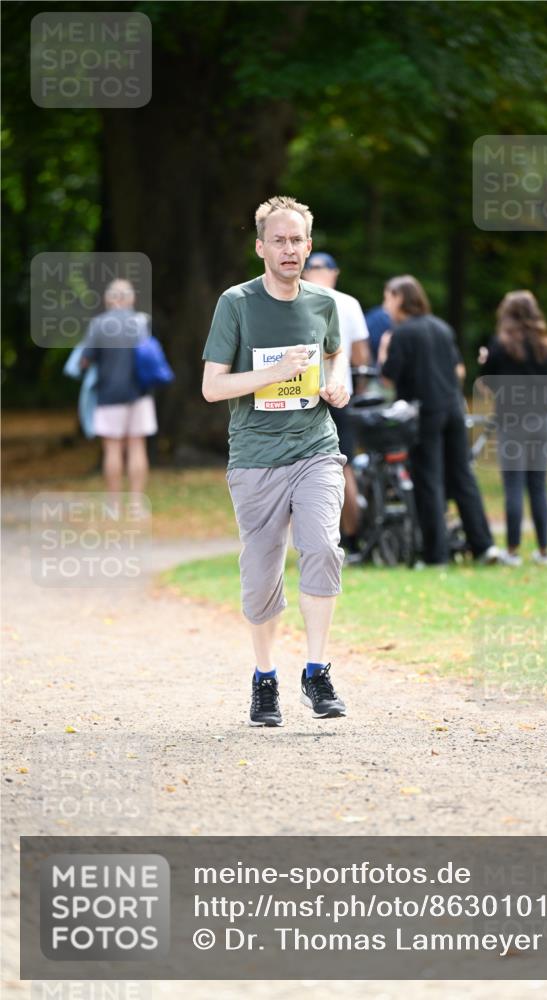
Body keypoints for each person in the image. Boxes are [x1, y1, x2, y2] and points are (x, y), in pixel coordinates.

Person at [202, 195, 349, 727]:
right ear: (260, 246)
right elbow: (212, 387)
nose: (290, 250)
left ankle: (316, 670)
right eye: (279, 240)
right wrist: (272, 373)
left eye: (298, 241)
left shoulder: (323, 303)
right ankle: (265, 679)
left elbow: (334, 353)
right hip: (255, 458)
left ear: (309, 247)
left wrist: (337, 384)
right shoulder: (235, 303)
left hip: (315, 448)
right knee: (261, 572)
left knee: (323, 546)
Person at [378, 275, 499, 566]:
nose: (385, 306)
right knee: (462, 476)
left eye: (387, 298)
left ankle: (436, 554)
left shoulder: (402, 334)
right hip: (453, 409)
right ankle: (483, 546)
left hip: (424, 413)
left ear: (399, 298)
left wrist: (384, 351)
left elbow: (388, 377)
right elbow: (459, 370)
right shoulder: (441, 327)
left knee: (428, 481)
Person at [478, 290, 547, 566]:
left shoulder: (500, 345)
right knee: (538, 485)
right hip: (544, 418)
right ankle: (544, 551)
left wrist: (484, 361)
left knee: (513, 484)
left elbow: (486, 383)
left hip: (513, 419)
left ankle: (513, 551)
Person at [301, 252, 371, 550]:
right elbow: (361, 357)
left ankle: (310, 539)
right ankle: (351, 537)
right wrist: (361, 390)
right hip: (341, 392)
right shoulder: (348, 303)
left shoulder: (294, 300)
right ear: (334, 273)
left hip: (301, 393)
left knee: (300, 467)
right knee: (344, 465)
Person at [80, 279, 157, 498]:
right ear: (131, 299)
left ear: (109, 299)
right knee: (137, 446)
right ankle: (136, 503)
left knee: (113, 448)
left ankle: (113, 503)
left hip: (108, 395)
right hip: (140, 394)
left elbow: (85, 361)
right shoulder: (142, 322)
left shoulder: (98, 325)